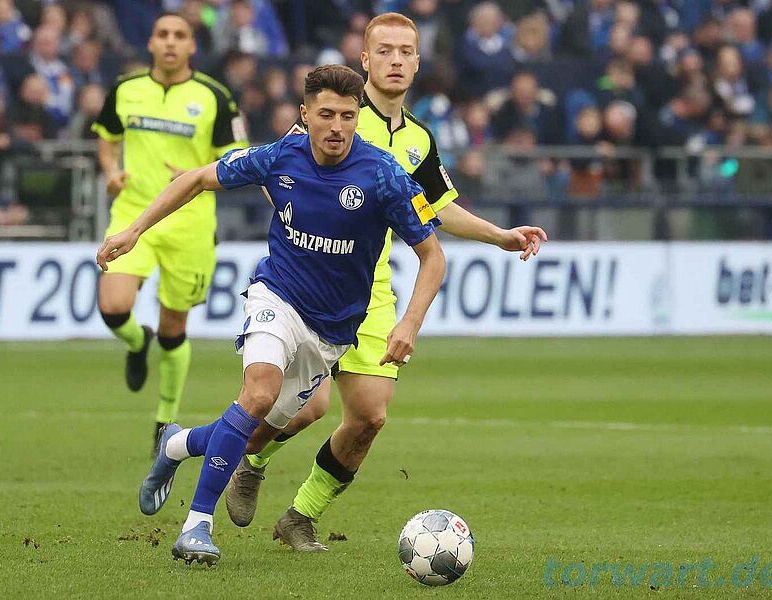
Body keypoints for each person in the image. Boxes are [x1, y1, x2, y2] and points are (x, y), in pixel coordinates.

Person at [96, 64, 446, 565]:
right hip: (276, 297)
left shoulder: (383, 175)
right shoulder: (281, 156)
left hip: (331, 332)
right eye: (326, 115)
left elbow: (432, 256)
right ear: (305, 114)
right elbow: (197, 178)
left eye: (348, 116)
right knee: (258, 393)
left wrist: (409, 323)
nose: (337, 127)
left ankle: (178, 444)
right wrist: (134, 230)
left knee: (258, 430)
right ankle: (197, 526)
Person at [226, 12, 548, 552]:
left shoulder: (418, 138)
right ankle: (251, 463)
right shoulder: (336, 116)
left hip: (371, 292)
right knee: (307, 408)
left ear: (417, 62)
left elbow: (437, 208)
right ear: (365, 60)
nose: (395, 60)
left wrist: (499, 236)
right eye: (385, 51)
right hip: (308, 282)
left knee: (369, 417)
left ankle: (301, 515)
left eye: (405, 51)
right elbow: (276, 173)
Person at [92, 13, 247, 453]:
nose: (171, 42)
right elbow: (107, 139)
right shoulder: (125, 89)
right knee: (113, 306)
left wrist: (199, 175)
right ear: (151, 43)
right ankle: (137, 341)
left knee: (174, 325)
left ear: (192, 46)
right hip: (132, 215)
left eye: (180, 35)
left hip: (190, 223)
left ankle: (164, 420)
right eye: (163, 34)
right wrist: (111, 171)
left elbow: (237, 156)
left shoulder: (215, 96)